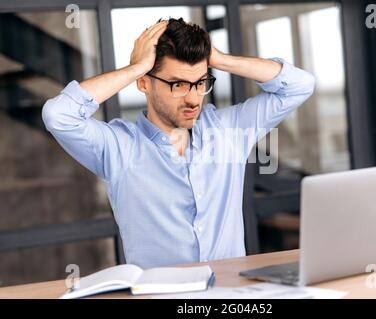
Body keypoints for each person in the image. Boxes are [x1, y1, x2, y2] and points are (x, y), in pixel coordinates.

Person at [42, 17, 315, 268]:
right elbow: (58, 115)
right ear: (143, 84)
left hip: (232, 297)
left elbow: (299, 85)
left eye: (200, 83)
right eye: (178, 85)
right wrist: (135, 68)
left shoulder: (228, 131)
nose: (193, 98)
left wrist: (219, 58)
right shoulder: (118, 148)